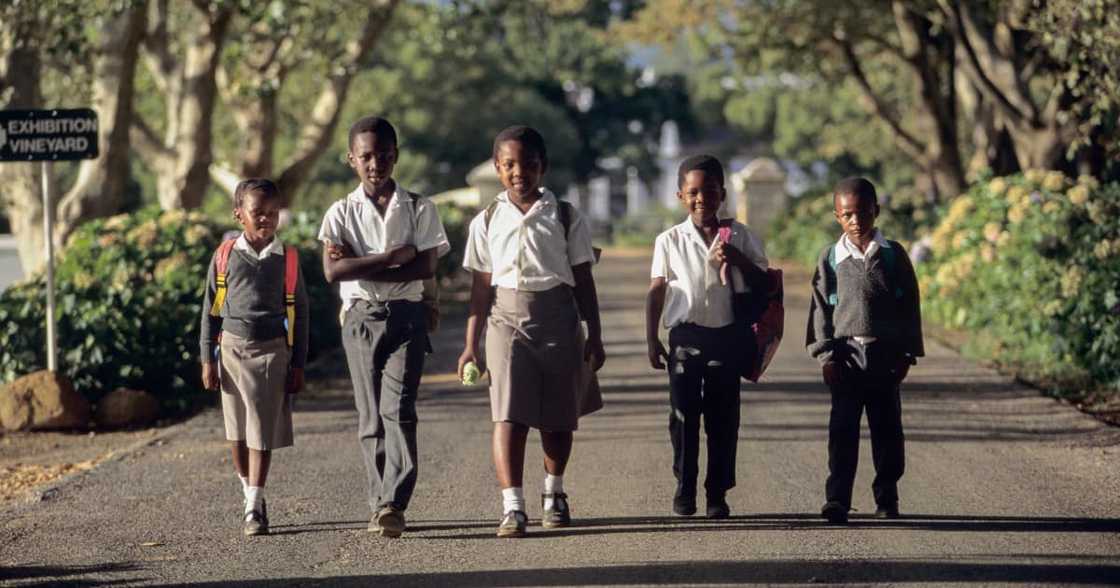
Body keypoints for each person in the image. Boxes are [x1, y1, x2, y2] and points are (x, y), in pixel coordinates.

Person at [458, 125, 606, 538]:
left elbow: (584, 279)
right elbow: (480, 289)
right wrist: (471, 345)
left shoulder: (565, 216)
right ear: (497, 168)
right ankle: (512, 506)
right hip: (506, 321)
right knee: (509, 413)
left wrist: (594, 334)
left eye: (528, 164)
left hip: (559, 318)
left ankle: (554, 492)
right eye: (508, 165)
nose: (518, 172)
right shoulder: (486, 220)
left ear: (544, 167)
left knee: (559, 419)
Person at [318, 116, 450, 538]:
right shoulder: (340, 212)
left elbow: (426, 265)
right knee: (370, 415)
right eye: (366, 156)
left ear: (397, 155)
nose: (376, 164)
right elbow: (333, 272)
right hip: (359, 319)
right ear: (351, 159)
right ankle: (378, 500)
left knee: (400, 410)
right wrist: (393, 257)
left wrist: (362, 264)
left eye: (385, 155)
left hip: (407, 317)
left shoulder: (419, 207)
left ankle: (393, 501)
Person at [645, 155, 769, 519]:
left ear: (723, 194)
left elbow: (764, 281)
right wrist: (652, 339)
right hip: (685, 338)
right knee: (682, 417)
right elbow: (656, 290)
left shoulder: (741, 236)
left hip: (727, 337)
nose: (703, 199)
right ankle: (685, 487)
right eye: (694, 192)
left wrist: (738, 259)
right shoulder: (669, 240)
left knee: (723, 418)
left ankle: (717, 493)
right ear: (681, 195)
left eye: (710, 191)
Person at [806, 177, 924, 524]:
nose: (856, 221)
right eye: (848, 215)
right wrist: (826, 355)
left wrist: (907, 353)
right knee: (842, 430)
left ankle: (887, 495)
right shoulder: (830, 257)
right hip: (846, 357)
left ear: (877, 211)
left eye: (863, 213)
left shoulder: (892, 254)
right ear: (837, 216)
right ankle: (837, 499)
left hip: (885, 356)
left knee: (888, 430)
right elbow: (820, 309)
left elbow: (910, 306)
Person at [200, 178, 309, 537]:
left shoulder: (287, 259)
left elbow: (302, 314)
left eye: (273, 213)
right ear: (238, 215)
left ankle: (254, 506)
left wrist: (298, 364)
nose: (266, 219)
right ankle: (249, 492)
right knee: (236, 433)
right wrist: (206, 358)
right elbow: (210, 312)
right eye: (258, 213)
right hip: (230, 350)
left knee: (260, 431)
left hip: (272, 351)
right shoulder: (225, 256)